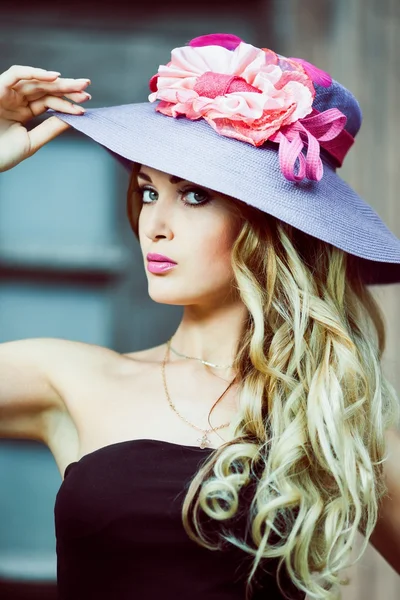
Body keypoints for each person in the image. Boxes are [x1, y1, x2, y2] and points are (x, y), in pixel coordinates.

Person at [0, 32, 399, 600]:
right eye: (146, 191)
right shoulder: (66, 378)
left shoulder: (333, 415)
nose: (153, 224)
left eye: (193, 196)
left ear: (268, 226)